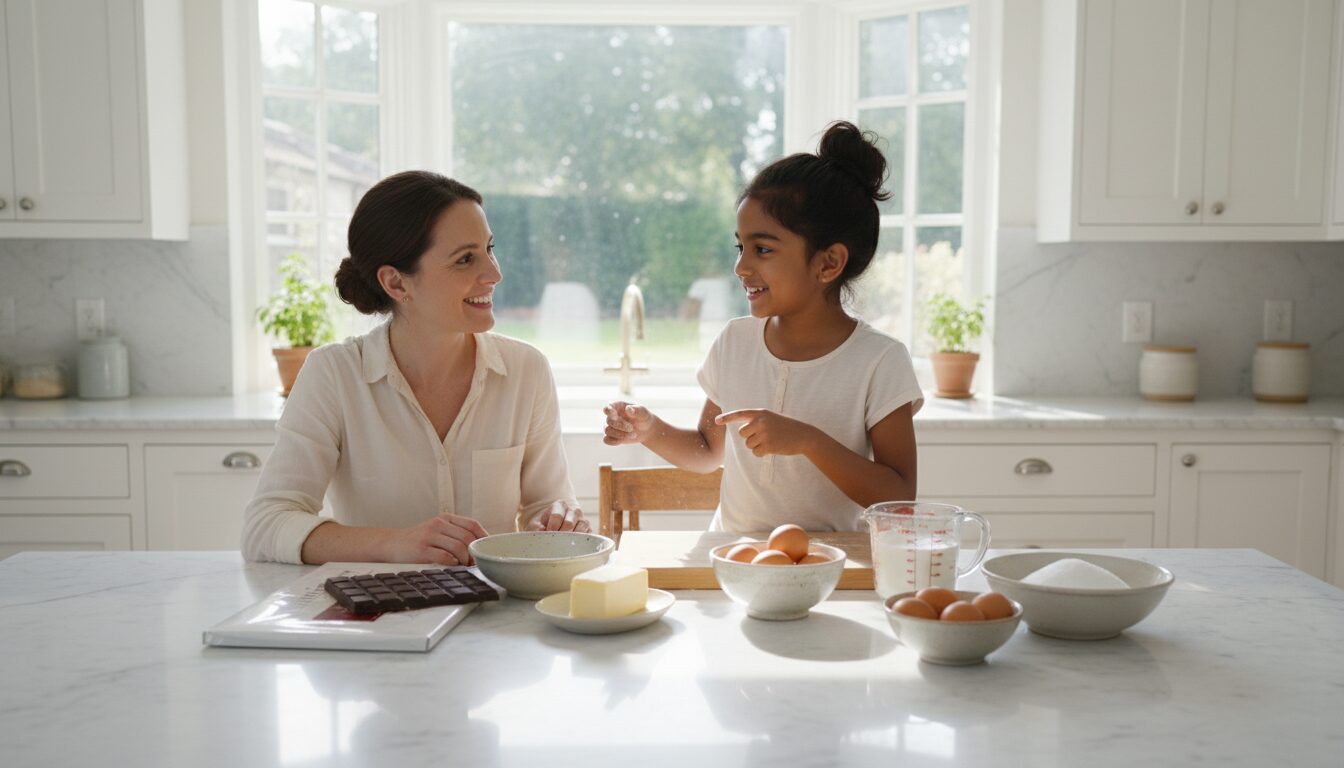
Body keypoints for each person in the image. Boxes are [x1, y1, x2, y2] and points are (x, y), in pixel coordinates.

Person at [242, 170, 587, 565]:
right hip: (376, 603)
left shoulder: (526, 370)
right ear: (396, 283)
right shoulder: (334, 374)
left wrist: (558, 523)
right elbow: (266, 524)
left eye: (489, 249)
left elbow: (547, 503)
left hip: (492, 601)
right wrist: (396, 544)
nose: (494, 274)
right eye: (465, 259)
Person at [602, 121, 922, 532]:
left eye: (763, 249)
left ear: (829, 263)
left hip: (834, 562)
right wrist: (650, 430)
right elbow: (707, 450)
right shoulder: (735, 342)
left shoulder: (880, 360)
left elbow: (899, 497)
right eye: (741, 246)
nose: (741, 266)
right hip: (733, 556)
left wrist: (808, 441)